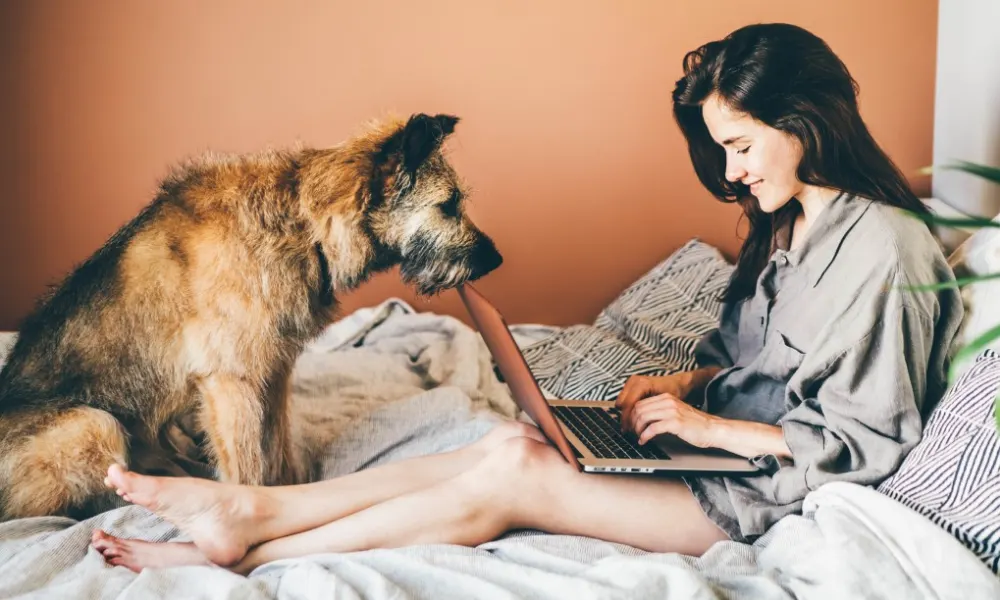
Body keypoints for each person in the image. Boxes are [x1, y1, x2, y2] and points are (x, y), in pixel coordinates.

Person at [90, 22, 964, 575]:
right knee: (512, 436)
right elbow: (757, 363)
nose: (730, 172)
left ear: (805, 121)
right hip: (713, 463)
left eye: (740, 145)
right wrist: (683, 393)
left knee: (513, 473)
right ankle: (254, 509)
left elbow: (863, 444)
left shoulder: (885, 248)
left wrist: (709, 430)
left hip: (751, 498)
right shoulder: (783, 224)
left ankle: (247, 556)